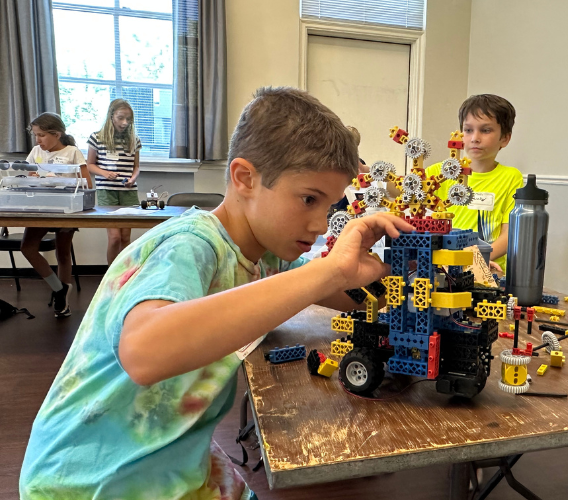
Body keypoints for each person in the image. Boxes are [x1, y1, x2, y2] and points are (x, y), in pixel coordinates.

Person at [19, 87, 413, 500]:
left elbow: (339, 290)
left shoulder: (267, 254)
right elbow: (144, 352)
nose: (320, 223)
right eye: (309, 199)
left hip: (170, 460)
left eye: (330, 205)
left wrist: (393, 274)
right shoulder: (191, 243)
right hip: (88, 479)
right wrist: (329, 271)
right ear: (245, 178)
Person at [425, 94, 523, 272]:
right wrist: (370, 173)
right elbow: (403, 189)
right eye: (468, 130)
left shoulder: (511, 177)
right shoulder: (440, 172)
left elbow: (510, 234)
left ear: (505, 138)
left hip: (486, 266)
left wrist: (477, 257)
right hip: (442, 266)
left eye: (485, 130)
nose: (474, 138)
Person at [21, 112, 92, 318]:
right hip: (40, 207)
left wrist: (59, 178)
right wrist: (32, 176)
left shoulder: (72, 152)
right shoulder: (35, 152)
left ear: (57, 134)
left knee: (63, 253)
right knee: (27, 247)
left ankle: (63, 302)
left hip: (66, 207)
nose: (38, 140)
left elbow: (87, 182)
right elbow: (27, 175)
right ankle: (58, 287)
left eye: (42, 135)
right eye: (35, 135)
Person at [86, 98, 142, 264]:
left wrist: (132, 179)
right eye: (120, 118)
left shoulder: (134, 140)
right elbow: (89, 165)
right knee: (115, 237)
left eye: (129, 119)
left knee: (125, 237)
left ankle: (124, 275)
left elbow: (136, 167)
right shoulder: (96, 138)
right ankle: (110, 276)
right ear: (111, 116)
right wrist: (104, 173)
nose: (125, 123)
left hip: (128, 192)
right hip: (107, 191)